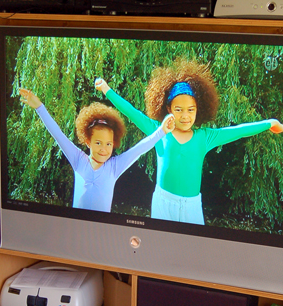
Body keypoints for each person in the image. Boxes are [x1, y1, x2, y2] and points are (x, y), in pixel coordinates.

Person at [95, 57, 283, 225]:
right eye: (179, 109)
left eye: (191, 110)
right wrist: (106, 90)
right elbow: (131, 112)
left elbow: (237, 131)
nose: (185, 116)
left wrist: (268, 123)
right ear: (169, 109)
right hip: (163, 201)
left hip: (192, 206)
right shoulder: (159, 130)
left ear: (198, 109)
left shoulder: (205, 137)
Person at [19, 89, 174, 213]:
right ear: (88, 142)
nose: (103, 149)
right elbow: (58, 135)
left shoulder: (114, 167)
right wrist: (40, 107)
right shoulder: (78, 160)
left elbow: (139, 149)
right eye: (98, 143)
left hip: (101, 232)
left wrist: (161, 131)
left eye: (108, 144)